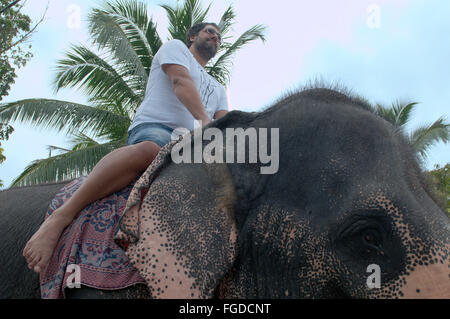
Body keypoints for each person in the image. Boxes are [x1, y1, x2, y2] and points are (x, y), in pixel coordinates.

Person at [23, 23, 229, 273]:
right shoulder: (176, 49)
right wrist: (206, 124)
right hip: (158, 127)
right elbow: (180, 81)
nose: (215, 37)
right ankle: (61, 216)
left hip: (192, 147)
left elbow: (224, 122)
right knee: (151, 152)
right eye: (210, 31)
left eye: (219, 36)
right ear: (193, 36)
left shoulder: (218, 88)